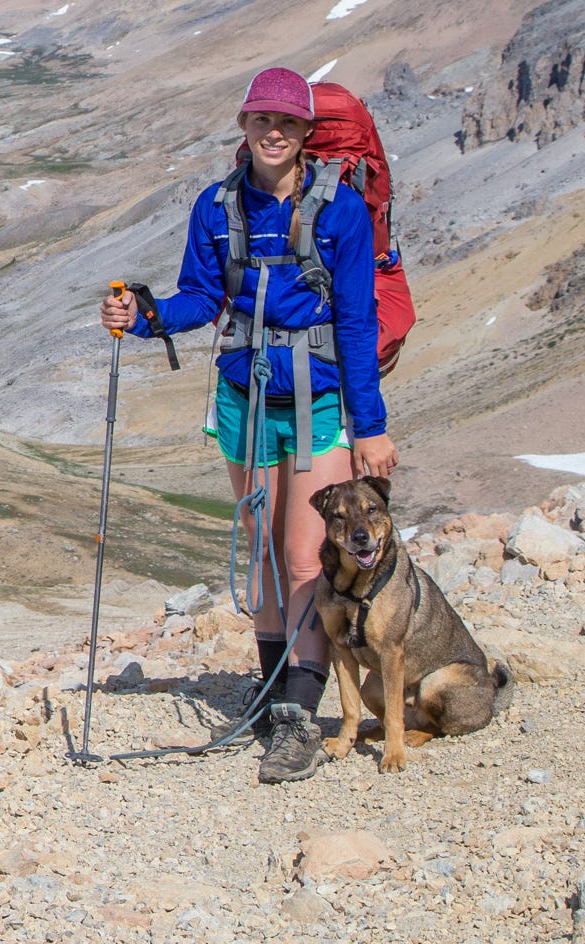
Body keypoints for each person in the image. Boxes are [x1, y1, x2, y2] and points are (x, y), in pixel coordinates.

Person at [98, 66, 397, 783]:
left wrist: (372, 426)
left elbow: (357, 322)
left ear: (304, 134)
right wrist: (145, 319)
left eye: (288, 124)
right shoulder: (217, 206)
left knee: (302, 558)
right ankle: (270, 701)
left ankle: (298, 714)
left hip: (319, 399)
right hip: (245, 397)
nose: (274, 133)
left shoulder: (341, 212)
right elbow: (202, 297)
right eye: (263, 120)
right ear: (245, 126)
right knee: (263, 552)